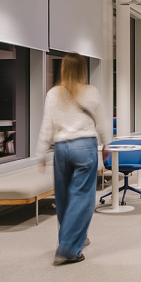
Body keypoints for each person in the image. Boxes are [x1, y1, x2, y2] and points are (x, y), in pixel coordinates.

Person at [38, 53, 109, 265]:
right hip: (84, 147)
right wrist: (107, 143)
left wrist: (41, 152)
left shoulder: (53, 94)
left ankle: (72, 238)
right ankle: (69, 247)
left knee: (63, 198)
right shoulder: (91, 92)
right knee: (82, 197)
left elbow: (47, 125)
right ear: (82, 70)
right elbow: (101, 121)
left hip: (61, 148)